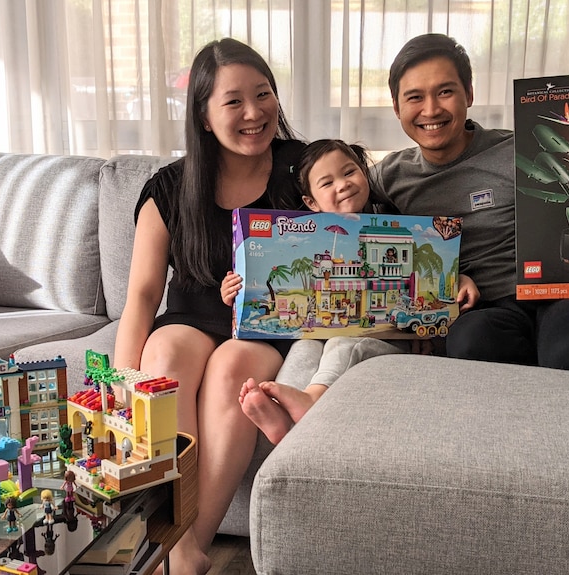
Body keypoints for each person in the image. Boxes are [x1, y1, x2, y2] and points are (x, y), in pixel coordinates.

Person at [373, 32, 569, 371]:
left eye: (445, 91)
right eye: (415, 97)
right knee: (467, 343)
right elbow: (339, 209)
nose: (431, 109)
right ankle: (546, 352)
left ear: (469, 93)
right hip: (493, 309)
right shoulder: (390, 176)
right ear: (396, 107)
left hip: (566, 289)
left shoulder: (523, 150)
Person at [113, 38, 307, 575]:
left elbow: (358, 216)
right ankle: (180, 551)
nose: (254, 112)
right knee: (166, 355)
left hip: (263, 327)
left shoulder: (303, 169)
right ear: (203, 115)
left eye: (263, 94)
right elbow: (143, 295)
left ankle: (185, 547)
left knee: (232, 370)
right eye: (233, 101)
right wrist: (118, 384)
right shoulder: (169, 188)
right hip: (190, 317)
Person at [222, 139, 480, 444]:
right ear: (311, 203)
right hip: (324, 329)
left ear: (364, 174)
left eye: (349, 172)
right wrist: (235, 290)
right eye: (327, 182)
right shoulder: (307, 235)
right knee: (305, 347)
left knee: (344, 343)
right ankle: (281, 408)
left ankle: (312, 399)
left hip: (384, 342)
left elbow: (432, 261)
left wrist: (460, 278)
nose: (343, 185)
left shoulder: (397, 218)